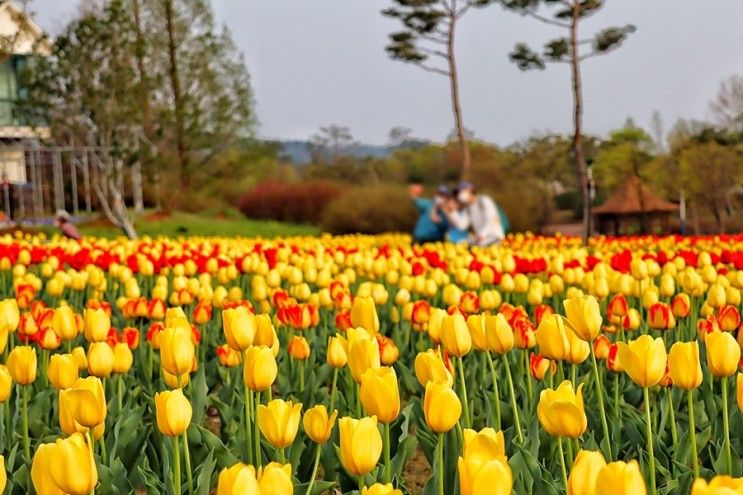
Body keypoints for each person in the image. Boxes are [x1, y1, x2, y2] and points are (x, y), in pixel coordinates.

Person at [446, 181, 505, 246]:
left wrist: (482, 234)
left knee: (478, 246)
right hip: (480, 238)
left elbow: (490, 218)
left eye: (462, 190)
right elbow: (462, 226)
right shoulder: (467, 208)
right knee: (461, 244)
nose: (460, 194)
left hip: (494, 236)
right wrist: (452, 211)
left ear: (470, 189)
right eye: (459, 192)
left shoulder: (484, 200)